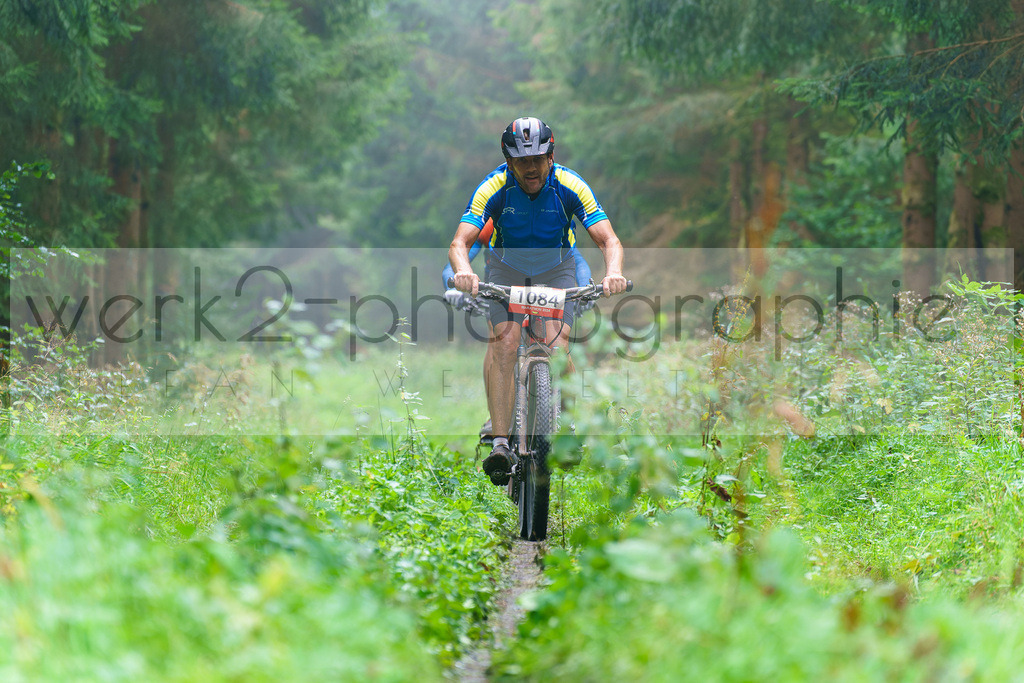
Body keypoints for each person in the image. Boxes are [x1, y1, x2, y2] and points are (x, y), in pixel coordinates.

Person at [449, 116, 627, 485]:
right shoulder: (494, 186)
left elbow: (608, 239)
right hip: (505, 268)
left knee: (558, 343)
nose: (531, 168)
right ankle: (500, 443)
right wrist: (464, 271)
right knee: (505, 343)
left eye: (538, 158)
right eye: (521, 161)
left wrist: (612, 272)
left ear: (551, 156)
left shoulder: (570, 184)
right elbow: (460, 242)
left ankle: (569, 428)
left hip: (558, 268)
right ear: (509, 161)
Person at [442, 218, 594, 442]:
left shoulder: (552, 225)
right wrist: (452, 284)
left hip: (546, 287)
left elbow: (576, 257)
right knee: (497, 342)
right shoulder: (489, 225)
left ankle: (566, 421)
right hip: (502, 286)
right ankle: (495, 417)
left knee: (559, 345)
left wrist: (584, 287)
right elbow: (457, 258)